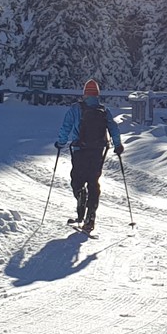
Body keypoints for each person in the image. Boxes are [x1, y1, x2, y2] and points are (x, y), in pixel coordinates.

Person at [55, 80, 122, 233]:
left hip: (80, 150)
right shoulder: (104, 111)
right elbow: (114, 128)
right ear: (97, 94)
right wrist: (118, 146)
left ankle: (80, 196)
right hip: (97, 151)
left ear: (84, 94)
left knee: (77, 180)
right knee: (94, 182)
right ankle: (90, 217)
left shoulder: (76, 109)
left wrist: (61, 143)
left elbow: (66, 127)